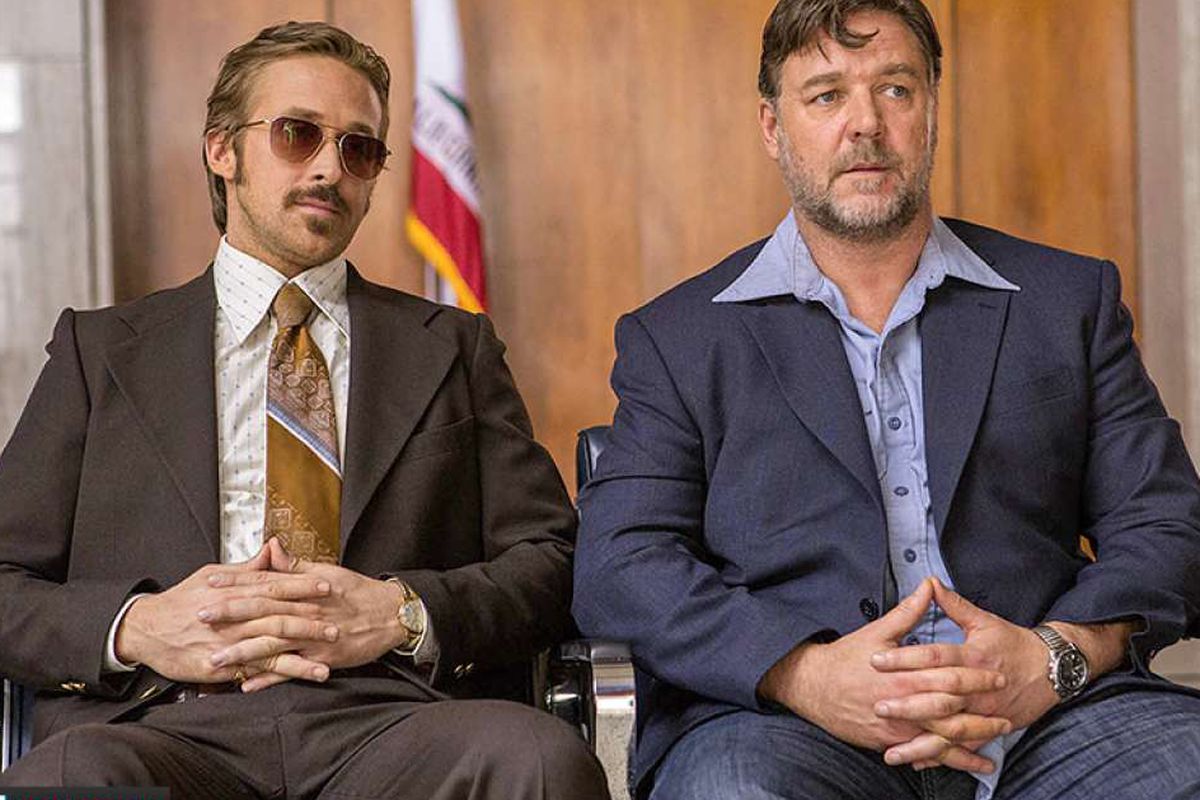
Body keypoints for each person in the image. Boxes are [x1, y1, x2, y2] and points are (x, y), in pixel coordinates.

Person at [572, 1, 1200, 798]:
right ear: (773, 126)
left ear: (932, 109)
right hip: (791, 732)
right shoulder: (681, 339)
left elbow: (1166, 523)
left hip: (1050, 718)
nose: (866, 123)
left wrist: (1056, 656)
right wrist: (803, 674)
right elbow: (619, 564)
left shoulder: (1066, 301)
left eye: (896, 88)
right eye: (827, 95)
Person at [0, 21, 608, 800]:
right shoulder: (100, 352)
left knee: (539, 761)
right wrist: (139, 626)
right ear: (222, 150)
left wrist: (402, 612)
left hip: (393, 718)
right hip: (163, 721)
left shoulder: (454, 348)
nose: (330, 168)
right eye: (298, 134)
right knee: (70, 779)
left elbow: (552, 563)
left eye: (359, 149)